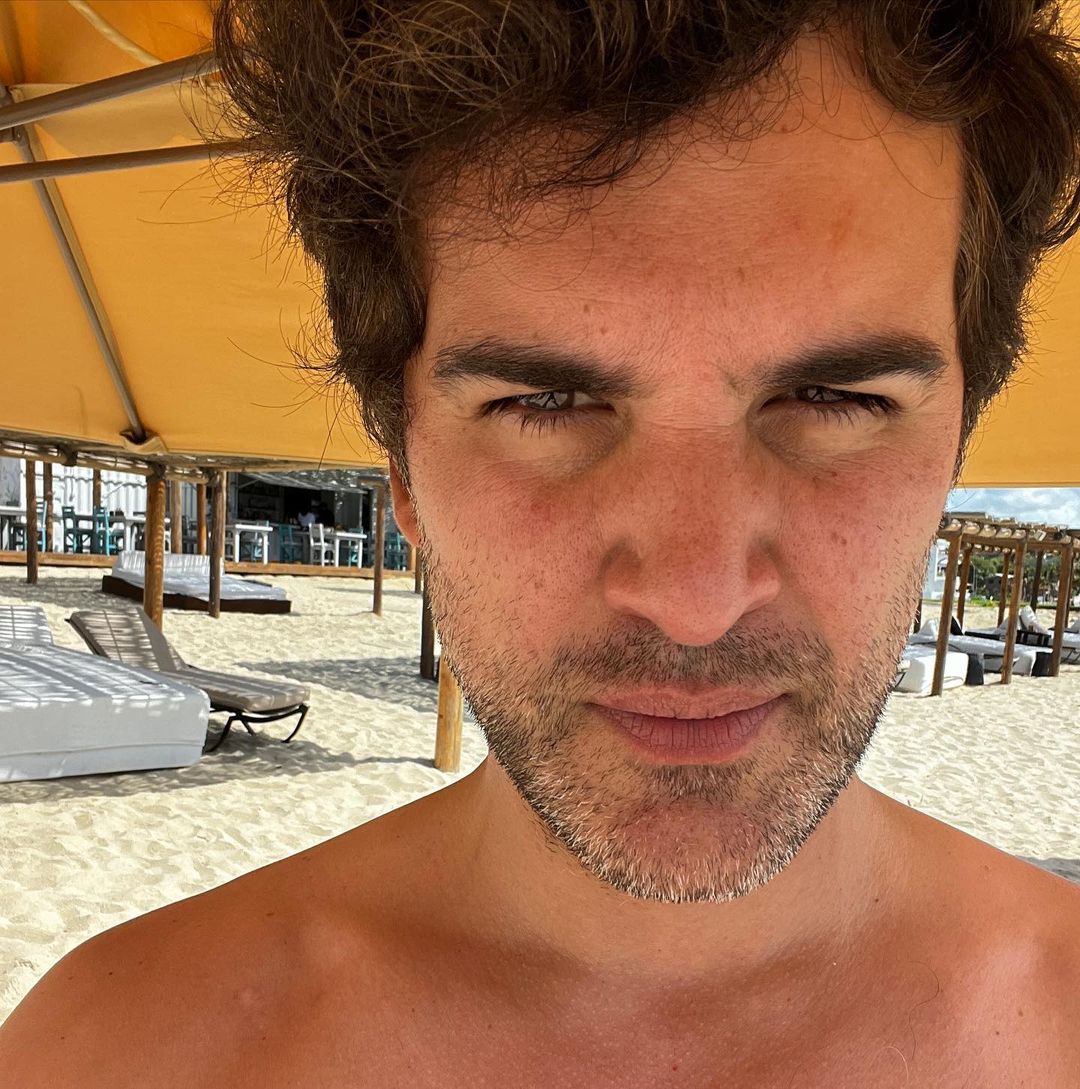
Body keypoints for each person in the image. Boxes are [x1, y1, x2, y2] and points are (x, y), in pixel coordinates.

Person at [3, 2, 1080, 1085]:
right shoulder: (112, 1054)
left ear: (953, 448)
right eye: (546, 403)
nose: (696, 599)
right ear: (404, 472)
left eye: (836, 397)